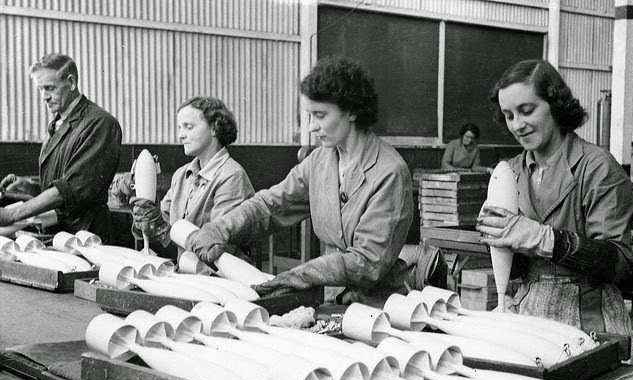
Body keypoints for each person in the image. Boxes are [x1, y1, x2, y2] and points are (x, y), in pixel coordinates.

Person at [186, 57, 413, 306]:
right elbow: (271, 203)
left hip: (380, 307)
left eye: (320, 115)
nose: (312, 127)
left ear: (351, 111)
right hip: (329, 299)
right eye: (309, 116)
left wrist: (297, 276)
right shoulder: (320, 161)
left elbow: (367, 262)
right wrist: (222, 228)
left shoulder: (390, 172)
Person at [477, 59, 633, 364]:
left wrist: (546, 239)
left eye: (527, 111)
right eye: (509, 115)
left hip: (592, 320)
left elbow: (620, 264)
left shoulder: (598, 167)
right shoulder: (511, 173)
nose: (517, 125)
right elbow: (518, 270)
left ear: (555, 104)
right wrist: (495, 241)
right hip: (528, 314)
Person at [0, 53, 122, 240]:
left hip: (87, 237)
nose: (44, 97)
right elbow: (64, 185)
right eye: (40, 89)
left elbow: (72, 190)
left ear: (71, 83)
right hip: (60, 233)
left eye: (49, 88)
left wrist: (12, 215)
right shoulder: (57, 125)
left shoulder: (100, 123)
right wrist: (30, 188)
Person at [130, 97, 254, 257]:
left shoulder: (232, 176)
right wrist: (147, 221)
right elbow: (162, 225)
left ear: (214, 128)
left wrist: (162, 229)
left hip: (218, 276)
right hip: (188, 270)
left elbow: (218, 246)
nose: (181, 135)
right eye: (179, 128)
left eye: (188, 127)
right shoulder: (181, 175)